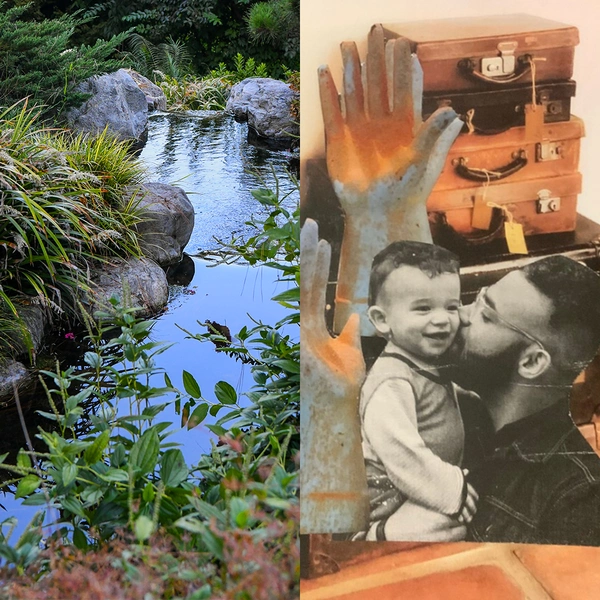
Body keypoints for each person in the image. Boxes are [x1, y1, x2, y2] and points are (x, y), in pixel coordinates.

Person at [449, 255, 600, 545]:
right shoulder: (452, 412)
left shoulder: (577, 499)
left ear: (531, 362)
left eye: (486, 316)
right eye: (479, 299)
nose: (460, 316)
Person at [358, 241, 478, 541]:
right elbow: (403, 454)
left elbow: (435, 393)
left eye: (452, 306)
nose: (441, 319)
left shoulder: (419, 362)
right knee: (444, 525)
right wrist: (452, 489)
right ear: (382, 320)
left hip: (419, 489)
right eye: (423, 308)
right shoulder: (392, 381)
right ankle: (375, 538)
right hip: (395, 499)